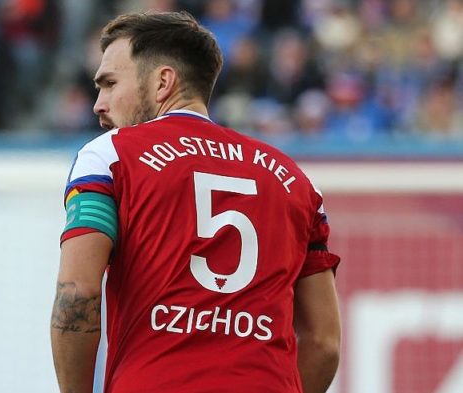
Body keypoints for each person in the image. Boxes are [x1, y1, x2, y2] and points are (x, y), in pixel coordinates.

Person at [50, 11, 341, 393]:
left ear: (162, 82)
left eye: (109, 84)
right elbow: (324, 342)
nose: (98, 104)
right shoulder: (294, 181)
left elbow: (78, 292)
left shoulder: (109, 157)